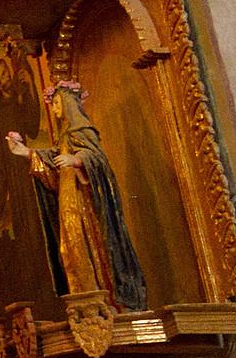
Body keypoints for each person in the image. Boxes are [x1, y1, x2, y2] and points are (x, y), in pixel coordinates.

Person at [8, 80, 149, 312]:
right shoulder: (64, 138)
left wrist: (77, 160)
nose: (53, 109)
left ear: (68, 103)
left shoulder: (82, 131)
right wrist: (26, 152)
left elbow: (99, 159)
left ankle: (110, 300)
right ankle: (89, 300)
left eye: (55, 103)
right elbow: (53, 161)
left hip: (89, 209)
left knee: (94, 248)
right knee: (71, 251)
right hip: (70, 206)